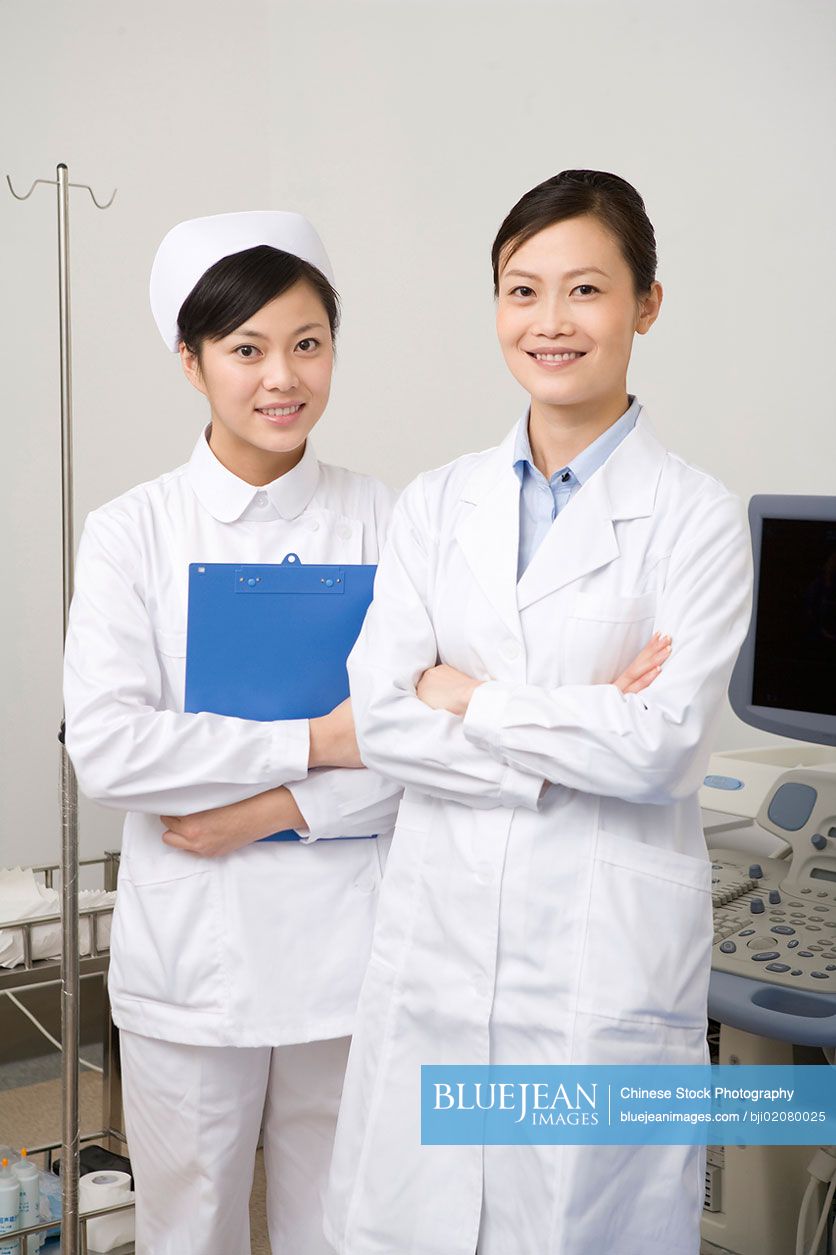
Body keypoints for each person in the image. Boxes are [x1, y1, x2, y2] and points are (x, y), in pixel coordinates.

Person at [324, 171, 753, 1255]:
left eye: (584, 291)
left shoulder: (696, 521)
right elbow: (379, 716)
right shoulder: (434, 504)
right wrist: (571, 729)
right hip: (437, 938)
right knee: (411, 1222)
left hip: (594, 964)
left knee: (572, 1225)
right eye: (521, 291)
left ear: (644, 305)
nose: (548, 323)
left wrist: (465, 695)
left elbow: (657, 750)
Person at [63, 211, 404, 1255]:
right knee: (190, 1220)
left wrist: (264, 805)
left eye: (307, 343)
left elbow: (415, 742)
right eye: (246, 349)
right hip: (195, 959)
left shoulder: (388, 519)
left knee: (339, 1224)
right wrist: (315, 741)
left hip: (347, 949)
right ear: (192, 360)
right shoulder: (134, 530)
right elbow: (111, 748)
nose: (281, 377)